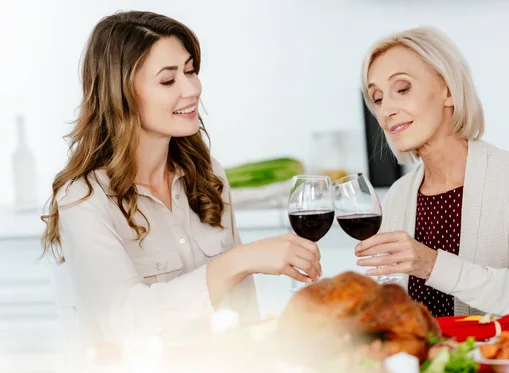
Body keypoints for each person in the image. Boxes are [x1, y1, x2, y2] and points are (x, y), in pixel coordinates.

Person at [40, 11, 321, 345]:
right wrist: (240, 261)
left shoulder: (208, 174)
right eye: (168, 81)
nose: (193, 89)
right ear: (122, 94)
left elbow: (244, 311)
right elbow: (127, 320)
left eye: (190, 71)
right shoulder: (83, 198)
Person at [355, 26, 509, 317]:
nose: (385, 110)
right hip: (422, 362)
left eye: (402, 89)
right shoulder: (398, 196)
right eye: (377, 98)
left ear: (448, 91)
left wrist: (431, 264)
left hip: (493, 360)